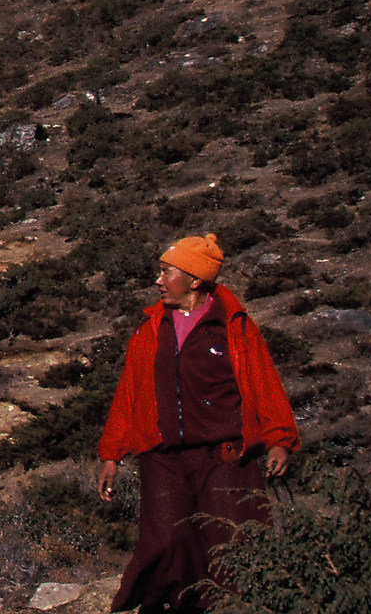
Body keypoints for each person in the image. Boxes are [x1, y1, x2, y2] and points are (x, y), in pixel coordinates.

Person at [94, 233, 298, 613]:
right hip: (163, 457)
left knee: (232, 540)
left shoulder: (233, 326)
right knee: (165, 543)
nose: (158, 280)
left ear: (194, 279)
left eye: (166, 272)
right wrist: (111, 454)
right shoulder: (151, 328)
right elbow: (129, 392)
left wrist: (278, 439)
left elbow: (263, 382)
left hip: (225, 454)